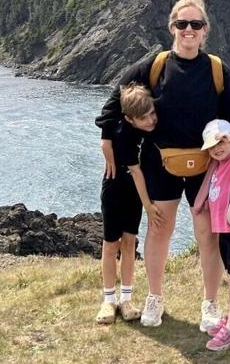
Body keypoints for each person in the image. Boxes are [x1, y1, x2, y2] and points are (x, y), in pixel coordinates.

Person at [95, 0, 230, 330]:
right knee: (159, 230)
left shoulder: (217, 71)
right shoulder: (153, 66)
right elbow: (117, 99)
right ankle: (154, 298)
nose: (188, 31)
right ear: (171, 27)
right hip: (160, 162)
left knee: (207, 235)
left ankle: (210, 304)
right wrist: (106, 136)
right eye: (182, 24)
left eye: (195, 25)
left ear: (205, 30)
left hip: (206, 167)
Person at [96, 83, 158, 324]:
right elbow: (136, 172)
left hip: (134, 192)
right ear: (130, 119)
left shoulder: (146, 127)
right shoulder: (123, 134)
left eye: (152, 113)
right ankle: (109, 300)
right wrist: (149, 206)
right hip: (115, 188)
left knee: (130, 243)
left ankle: (126, 298)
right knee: (111, 244)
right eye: (144, 118)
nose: (151, 120)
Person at [191, 119, 230, 351]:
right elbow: (208, 187)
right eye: (212, 146)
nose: (217, 148)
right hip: (223, 230)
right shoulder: (217, 165)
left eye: (221, 142)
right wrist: (198, 204)